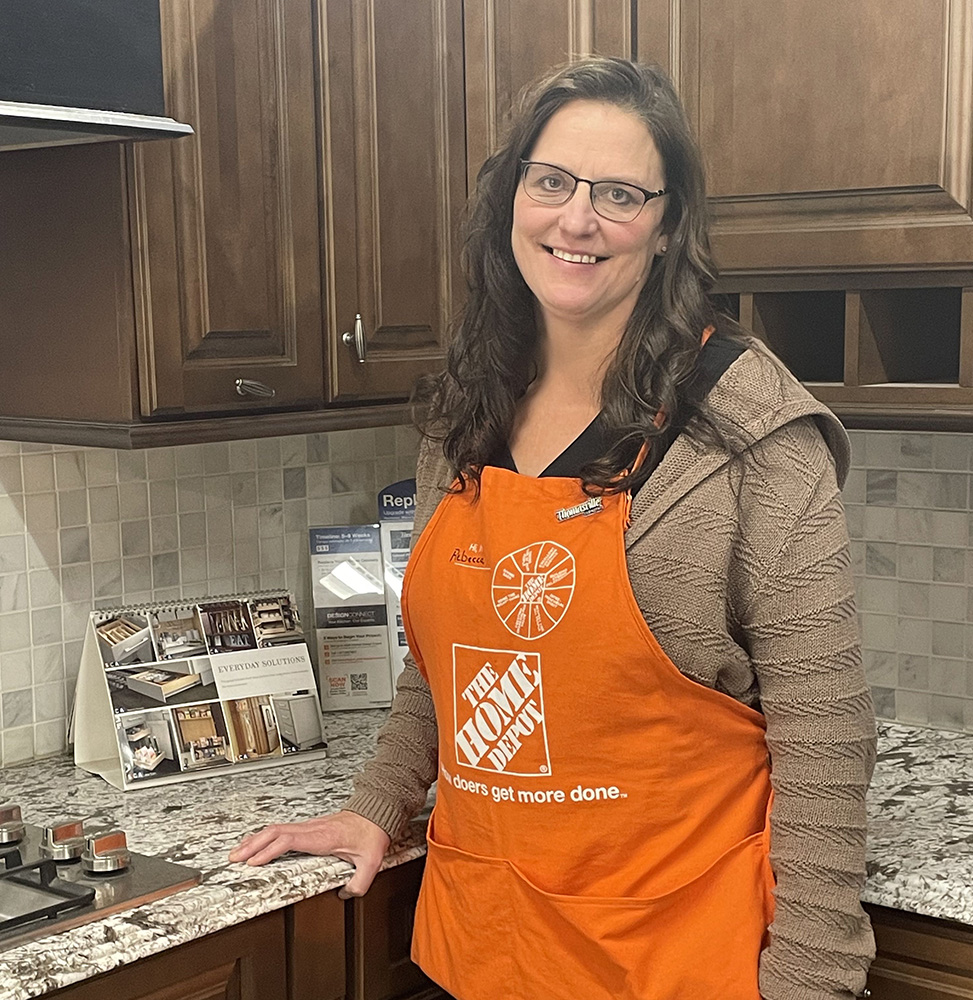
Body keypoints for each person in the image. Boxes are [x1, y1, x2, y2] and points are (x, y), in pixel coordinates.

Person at [231, 57, 876, 1000]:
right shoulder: (466, 411)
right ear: (511, 201)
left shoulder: (745, 428)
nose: (579, 219)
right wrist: (381, 802)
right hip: (486, 948)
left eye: (620, 193)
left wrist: (814, 981)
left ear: (665, 228)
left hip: (674, 960)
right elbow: (450, 665)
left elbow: (825, 732)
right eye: (553, 182)